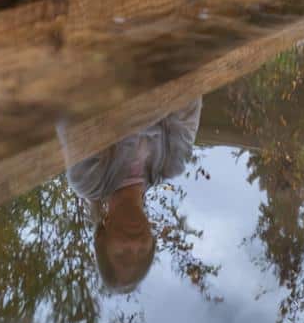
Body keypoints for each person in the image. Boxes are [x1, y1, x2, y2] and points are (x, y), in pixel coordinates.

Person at [57, 99, 202, 293]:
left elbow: (80, 106)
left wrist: (158, 108)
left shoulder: (88, 180)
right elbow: (189, 97)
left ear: (102, 238)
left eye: (122, 254)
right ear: (152, 239)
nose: (134, 244)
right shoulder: (172, 163)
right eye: (142, 252)